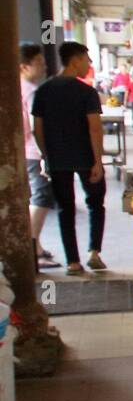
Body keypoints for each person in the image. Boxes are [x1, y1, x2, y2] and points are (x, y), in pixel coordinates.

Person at [31, 41, 106, 274]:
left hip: (58, 160)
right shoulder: (86, 92)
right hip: (85, 157)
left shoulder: (43, 91)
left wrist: (46, 155)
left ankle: (73, 262)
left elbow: (38, 129)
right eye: (87, 59)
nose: (89, 64)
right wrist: (97, 160)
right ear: (75, 61)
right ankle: (94, 252)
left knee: (65, 210)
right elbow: (94, 127)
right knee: (95, 204)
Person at [20, 44, 57, 269]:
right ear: (24, 66)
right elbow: (36, 127)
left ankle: (36, 245)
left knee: (34, 197)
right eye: (39, 63)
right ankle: (32, 248)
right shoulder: (31, 92)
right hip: (33, 153)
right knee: (41, 198)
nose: (44, 67)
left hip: (24, 152)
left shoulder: (17, 88)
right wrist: (44, 156)